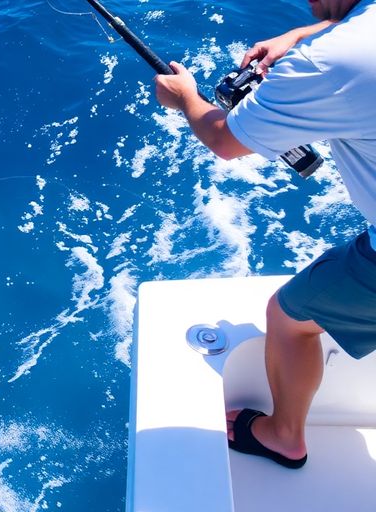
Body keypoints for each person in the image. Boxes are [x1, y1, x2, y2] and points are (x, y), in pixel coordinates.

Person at [154, 0, 376, 469]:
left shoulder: (325, 64)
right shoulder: (330, 50)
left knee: (289, 317)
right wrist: (301, 35)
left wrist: (186, 98)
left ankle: (283, 435)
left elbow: (226, 141)